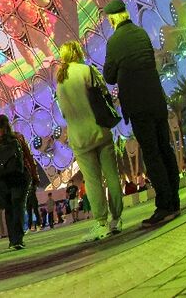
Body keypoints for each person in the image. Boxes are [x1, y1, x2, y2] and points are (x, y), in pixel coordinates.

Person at [102, 0, 180, 226]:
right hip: (156, 100)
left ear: (113, 18)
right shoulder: (141, 33)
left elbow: (109, 77)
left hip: (138, 105)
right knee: (165, 149)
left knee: (152, 153)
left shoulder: (114, 41)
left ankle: (164, 206)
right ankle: (174, 202)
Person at [55, 41, 124, 240]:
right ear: (77, 52)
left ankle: (100, 223)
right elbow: (103, 94)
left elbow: (63, 114)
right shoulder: (87, 70)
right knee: (111, 175)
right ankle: (116, 218)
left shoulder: (60, 81)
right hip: (99, 130)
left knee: (92, 182)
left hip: (79, 137)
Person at [0, 114, 37, 250]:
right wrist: (34, 175)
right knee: (18, 206)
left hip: (2, 181)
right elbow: (28, 158)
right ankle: (18, 239)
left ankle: (12, 240)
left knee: (9, 209)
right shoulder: (18, 137)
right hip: (20, 177)